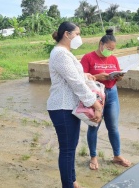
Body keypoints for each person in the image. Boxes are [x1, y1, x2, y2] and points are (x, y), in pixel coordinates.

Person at [47, 21, 103, 188]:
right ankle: (68, 185)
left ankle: (71, 181)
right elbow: (75, 83)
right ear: (67, 34)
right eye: (77, 34)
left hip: (68, 107)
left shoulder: (65, 53)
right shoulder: (60, 54)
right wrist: (96, 105)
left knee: (70, 147)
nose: (79, 37)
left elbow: (75, 76)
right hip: (62, 107)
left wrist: (86, 75)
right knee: (67, 149)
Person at [80, 29, 131, 170]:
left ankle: (117, 155)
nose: (110, 51)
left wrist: (119, 76)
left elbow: (117, 74)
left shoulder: (113, 59)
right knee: (94, 125)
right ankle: (93, 156)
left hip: (112, 93)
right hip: (96, 94)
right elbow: (82, 79)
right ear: (101, 44)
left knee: (113, 126)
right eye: (108, 48)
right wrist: (97, 77)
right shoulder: (88, 58)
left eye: (113, 49)